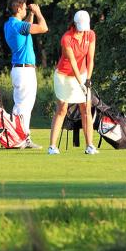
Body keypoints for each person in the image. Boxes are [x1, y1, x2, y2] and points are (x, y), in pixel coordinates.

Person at [48, 10, 97, 155]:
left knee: (86, 109)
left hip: (82, 75)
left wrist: (87, 79)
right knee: (62, 109)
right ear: (75, 23)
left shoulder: (90, 34)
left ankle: (90, 146)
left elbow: (90, 59)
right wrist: (80, 83)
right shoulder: (66, 38)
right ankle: (52, 147)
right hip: (63, 76)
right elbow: (73, 63)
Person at [3, 0, 48, 148]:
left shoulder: (9, 25)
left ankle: (18, 137)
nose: (25, 9)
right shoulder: (18, 26)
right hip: (25, 71)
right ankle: (20, 138)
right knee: (24, 106)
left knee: (20, 105)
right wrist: (38, 12)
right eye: (24, 8)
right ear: (18, 9)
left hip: (17, 69)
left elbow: (26, 27)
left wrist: (31, 15)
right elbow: (43, 28)